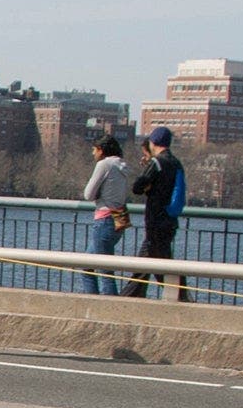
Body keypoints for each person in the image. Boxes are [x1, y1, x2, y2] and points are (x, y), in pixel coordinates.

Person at [125, 126, 189, 300]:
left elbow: (137, 187)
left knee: (152, 262)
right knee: (157, 261)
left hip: (155, 221)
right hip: (169, 220)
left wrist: (147, 182)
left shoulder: (156, 163)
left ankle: (129, 299)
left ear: (153, 143)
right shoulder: (176, 163)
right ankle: (180, 296)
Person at [80, 135, 130, 295]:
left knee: (104, 269)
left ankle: (107, 307)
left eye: (94, 150)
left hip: (104, 219)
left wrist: (99, 194)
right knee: (87, 265)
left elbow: (88, 194)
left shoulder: (104, 165)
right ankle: (95, 302)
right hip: (120, 217)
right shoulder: (123, 165)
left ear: (102, 150)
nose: (93, 153)